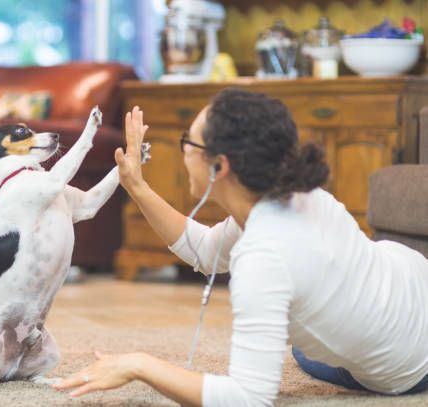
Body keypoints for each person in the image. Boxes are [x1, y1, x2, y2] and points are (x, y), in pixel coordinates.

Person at [53, 89, 428, 406]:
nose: (183, 151)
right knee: (304, 346)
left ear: (221, 166)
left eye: (189, 143)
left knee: (303, 352)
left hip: (410, 366)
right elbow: (204, 250)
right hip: (414, 278)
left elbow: (248, 397)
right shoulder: (293, 194)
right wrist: (135, 185)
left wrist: (138, 365)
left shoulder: (263, 257)